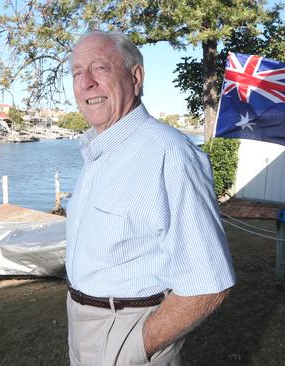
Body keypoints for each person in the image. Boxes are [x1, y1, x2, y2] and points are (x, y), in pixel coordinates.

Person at [65, 30, 236, 365]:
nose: (86, 82)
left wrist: (134, 349)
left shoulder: (169, 154)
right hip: (81, 324)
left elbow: (209, 282)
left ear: (136, 76)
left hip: (126, 333)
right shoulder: (98, 152)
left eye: (99, 68)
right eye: (76, 73)